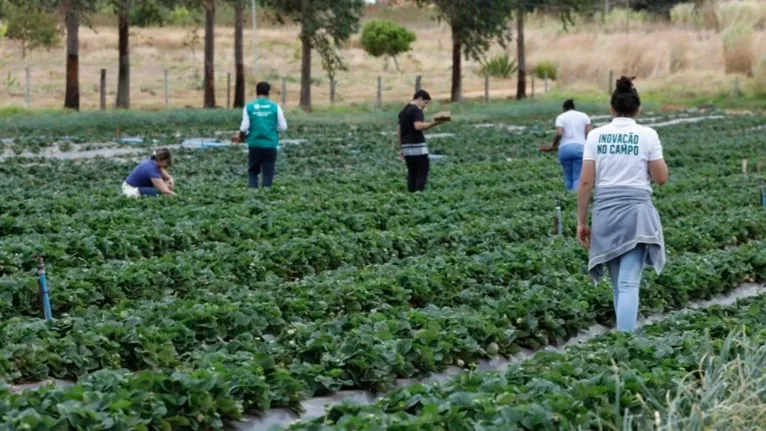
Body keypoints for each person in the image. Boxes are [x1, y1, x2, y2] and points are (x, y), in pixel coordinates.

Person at [576, 76, 669, 333]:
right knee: (629, 284)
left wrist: (582, 222)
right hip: (637, 214)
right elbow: (661, 178)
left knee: (619, 285)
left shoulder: (596, 136)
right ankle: (625, 343)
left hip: (606, 214)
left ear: (611, 108)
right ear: (637, 109)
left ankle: (622, 342)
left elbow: (585, 182)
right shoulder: (647, 135)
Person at [232, 81, 287, 189]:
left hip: (254, 144)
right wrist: (272, 130)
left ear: (257, 92)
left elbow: (244, 127)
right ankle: (266, 194)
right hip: (270, 144)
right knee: (268, 171)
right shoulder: (275, 107)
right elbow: (283, 127)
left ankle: (253, 194)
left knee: (253, 170)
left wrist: (242, 137)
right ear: (268, 93)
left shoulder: (249, 107)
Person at [397, 90, 449, 193]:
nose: (425, 106)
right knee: (422, 172)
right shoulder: (417, 110)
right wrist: (435, 123)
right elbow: (418, 126)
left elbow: (398, 130)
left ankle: (411, 195)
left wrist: (402, 147)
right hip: (418, 147)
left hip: (406, 147)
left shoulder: (403, 111)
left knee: (412, 173)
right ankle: (419, 195)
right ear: (419, 98)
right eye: (425, 102)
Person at [540, 99, 591, 191]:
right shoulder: (584, 116)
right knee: (577, 177)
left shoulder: (560, 117)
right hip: (580, 148)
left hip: (564, 149)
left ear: (564, 109)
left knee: (568, 178)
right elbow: (589, 135)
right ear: (574, 107)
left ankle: (567, 198)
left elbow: (559, 134)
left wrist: (553, 145)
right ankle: (574, 200)